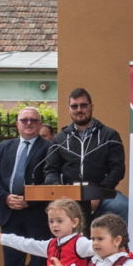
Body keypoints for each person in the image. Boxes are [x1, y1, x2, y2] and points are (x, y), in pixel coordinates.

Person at [0, 107, 54, 266]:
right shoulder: (4, 147)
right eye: (24, 120)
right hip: (9, 212)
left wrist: (30, 200)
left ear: (40, 123)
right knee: (12, 263)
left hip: (36, 214)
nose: (28, 123)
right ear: (17, 123)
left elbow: (51, 180)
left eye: (33, 120)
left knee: (38, 264)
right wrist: (6, 197)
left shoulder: (50, 148)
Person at [38, 87, 125, 221]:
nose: (79, 110)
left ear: (91, 107)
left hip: (103, 193)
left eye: (83, 105)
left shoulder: (110, 135)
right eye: (74, 106)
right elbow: (50, 170)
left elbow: (118, 169)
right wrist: (60, 192)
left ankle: (118, 236)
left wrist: (98, 193)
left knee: (122, 206)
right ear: (69, 109)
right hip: (68, 196)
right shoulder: (60, 139)